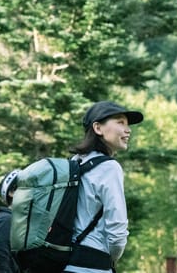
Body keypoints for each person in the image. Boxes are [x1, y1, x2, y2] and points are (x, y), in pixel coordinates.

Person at [63, 100, 144, 273]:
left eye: (128, 124)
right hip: (93, 265)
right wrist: (111, 259)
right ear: (98, 128)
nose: (128, 130)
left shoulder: (75, 162)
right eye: (120, 122)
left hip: (67, 264)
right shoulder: (109, 167)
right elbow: (117, 230)